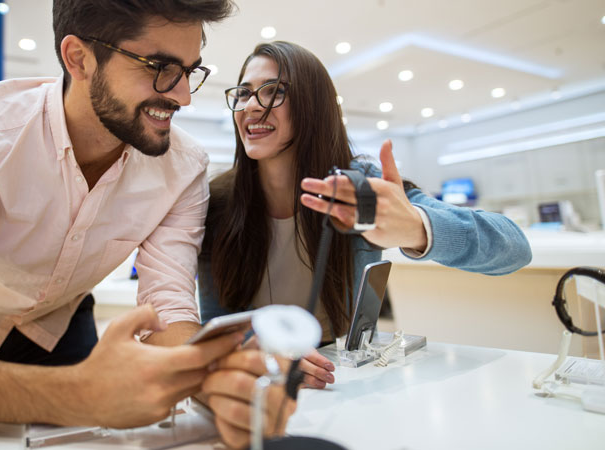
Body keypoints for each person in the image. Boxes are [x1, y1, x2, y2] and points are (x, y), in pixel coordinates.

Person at [0, 1, 293, 446]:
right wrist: (80, 394)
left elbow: (169, 308)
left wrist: (216, 382)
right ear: (78, 58)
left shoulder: (183, 168)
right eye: (160, 67)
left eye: (189, 70)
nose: (183, 96)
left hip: (60, 322)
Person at [198, 41, 532, 389]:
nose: (252, 106)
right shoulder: (218, 201)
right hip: (254, 390)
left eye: (273, 91)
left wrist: (417, 228)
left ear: (312, 106)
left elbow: (514, 247)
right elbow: (213, 328)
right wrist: (257, 354)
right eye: (244, 93)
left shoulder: (359, 186)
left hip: (343, 384)